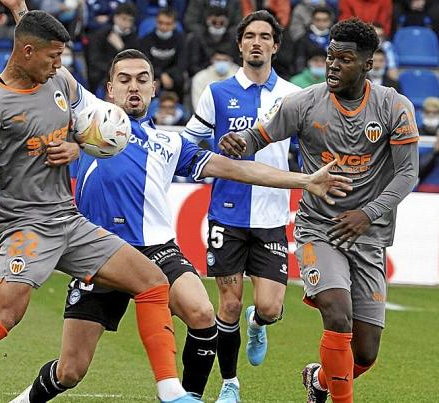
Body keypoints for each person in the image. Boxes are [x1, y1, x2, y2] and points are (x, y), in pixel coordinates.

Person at [9, 48, 351, 403]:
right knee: (70, 371)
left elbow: (240, 168)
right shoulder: (89, 125)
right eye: (124, 80)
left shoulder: (170, 143)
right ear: (109, 89)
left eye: (142, 79)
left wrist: (305, 180)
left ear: (155, 88)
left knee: (202, 313)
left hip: (157, 250)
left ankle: (188, 396)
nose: (134, 87)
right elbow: (55, 68)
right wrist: (21, 10)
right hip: (98, 251)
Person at [0, 9, 199, 403]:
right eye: (52, 57)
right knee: (3, 316)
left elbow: (88, 122)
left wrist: (77, 145)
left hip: (69, 220)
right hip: (26, 226)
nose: (59, 65)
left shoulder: (57, 78)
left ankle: (170, 392)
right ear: (27, 52)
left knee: (151, 281)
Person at [218, 18, 419, 403]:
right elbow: (259, 135)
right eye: (330, 56)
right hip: (319, 229)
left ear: (367, 64)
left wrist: (368, 212)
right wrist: (238, 142)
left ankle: (320, 380)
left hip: (368, 235)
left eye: (343, 59)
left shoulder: (394, 106)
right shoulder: (306, 102)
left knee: (365, 353)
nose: (332, 66)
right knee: (337, 313)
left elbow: (408, 173)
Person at [183, 11, 302, 403]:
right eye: (249, 35)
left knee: (268, 308)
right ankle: (230, 384)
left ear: (275, 45)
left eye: (264, 36)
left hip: (270, 216)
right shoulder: (216, 93)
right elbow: (189, 144)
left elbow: (306, 148)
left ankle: (260, 323)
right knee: (229, 304)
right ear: (239, 44)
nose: (256, 42)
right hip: (227, 213)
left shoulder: (292, 96)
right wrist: (218, 149)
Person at [139, 7, 187, 100]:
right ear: (156, 22)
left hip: (172, 76)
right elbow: (144, 63)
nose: (164, 27)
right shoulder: (146, 39)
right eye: (160, 23)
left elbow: (182, 63)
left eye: (168, 24)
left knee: (179, 78)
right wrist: (159, 75)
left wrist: (166, 75)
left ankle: (178, 107)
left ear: (174, 24)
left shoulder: (181, 39)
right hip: (152, 74)